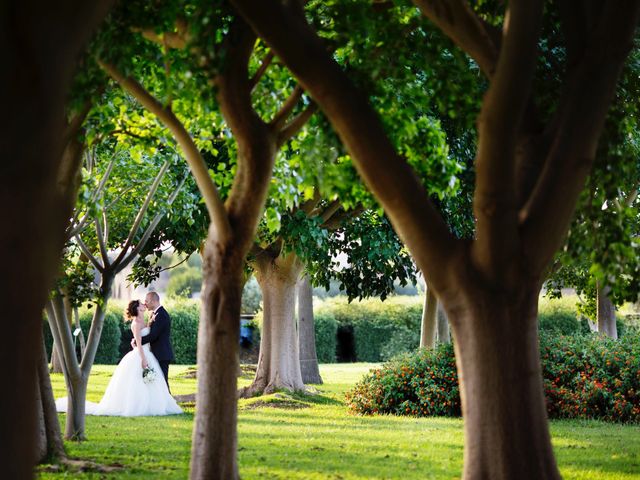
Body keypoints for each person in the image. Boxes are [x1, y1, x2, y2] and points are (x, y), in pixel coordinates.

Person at [55, 300, 182, 416]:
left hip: (149, 353)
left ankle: (154, 404)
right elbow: (138, 342)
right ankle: (137, 406)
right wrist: (143, 359)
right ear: (137, 308)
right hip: (141, 354)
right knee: (137, 381)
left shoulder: (145, 320)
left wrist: (148, 327)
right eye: (141, 303)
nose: (144, 304)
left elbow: (147, 335)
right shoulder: (136, 323)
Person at [132, 291, 175, 392]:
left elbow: (153, 336)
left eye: (146, 301)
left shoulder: (161, 315)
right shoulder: (154, 314)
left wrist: (137, 341)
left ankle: (169, 403)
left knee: (163, 381)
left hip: (162, 353)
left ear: (152, 301)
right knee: (158, 382)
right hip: (154, 353)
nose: (145, 303)